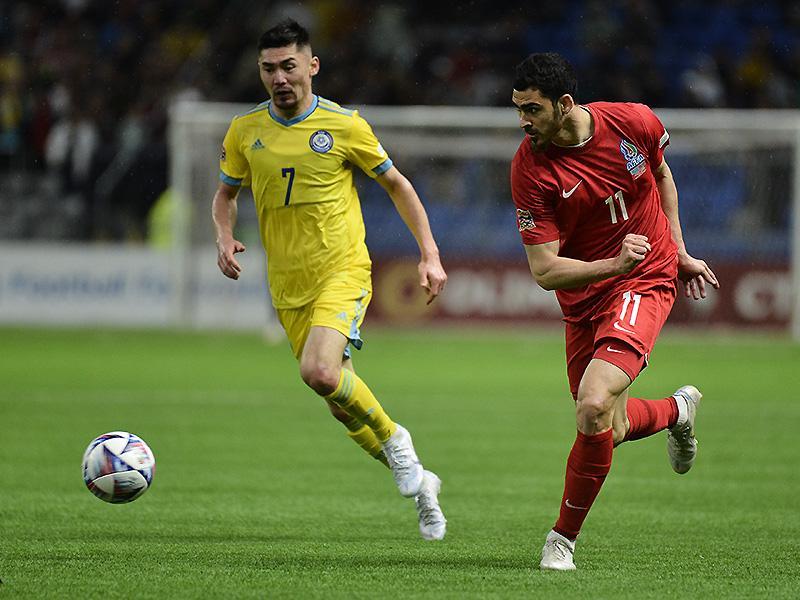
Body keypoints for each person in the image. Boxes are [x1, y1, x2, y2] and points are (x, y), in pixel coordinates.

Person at [211, 19, 448, 541]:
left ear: (312, 66)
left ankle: (398, 440)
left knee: (319, 372)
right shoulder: (244, 130)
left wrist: (429, 254)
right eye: (269, 69)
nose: (279, 78)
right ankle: (422, 484)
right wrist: (224, 237)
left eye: (289, 66)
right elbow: (226, 194)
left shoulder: (344, 126)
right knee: (340, 404)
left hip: (341, 268)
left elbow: (398, 185)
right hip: (287, 283)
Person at [509, 53, 720, 570]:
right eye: (518, 108)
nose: (523, 121)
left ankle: (561, 540)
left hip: (644, 278)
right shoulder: (529, 168)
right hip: (587, 296)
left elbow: (662, 175)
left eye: (532, 109)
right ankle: (677, 411)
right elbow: (544, 270)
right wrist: (611, 263)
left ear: (564, 104)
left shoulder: (633, 122)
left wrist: (678, 250)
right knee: (609, 425)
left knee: (592, 403)